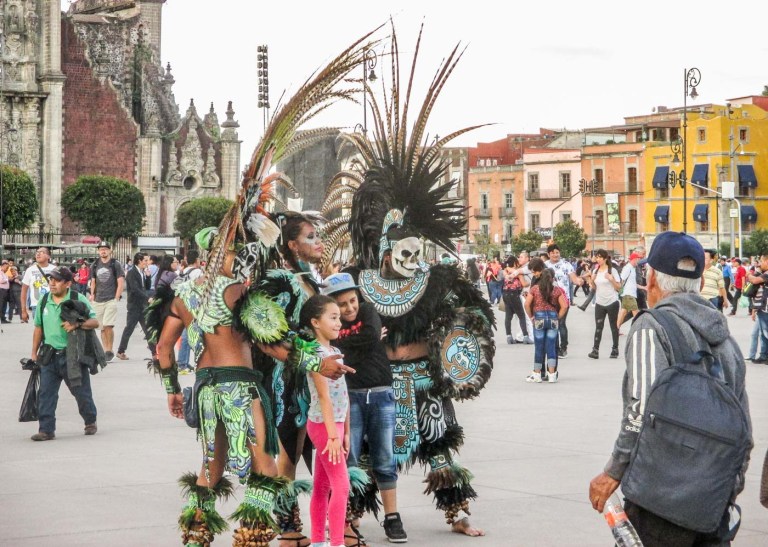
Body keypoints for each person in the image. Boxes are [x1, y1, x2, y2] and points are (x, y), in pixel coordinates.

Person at [588, 231, 752, 545]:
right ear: (700, 285)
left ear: (651, 280)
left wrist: (613, 472)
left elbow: (640, 410)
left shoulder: (651, 328)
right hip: (712, 503)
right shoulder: (726, 341)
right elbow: (743, 428)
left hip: (659, 499)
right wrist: (727, 488)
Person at [322, 272, 407, 544]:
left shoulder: (368, 311)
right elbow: (358, 343)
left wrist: (344, 349)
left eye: (352, 300)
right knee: (349, 460)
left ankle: (392, 517)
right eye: (342, 304)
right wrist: (366, 344)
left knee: (385, 459)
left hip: (381, 393)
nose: (350, 308)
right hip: (351, 397)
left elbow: (365, 338)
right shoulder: (331, 324)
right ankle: (348, 518)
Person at [299, 295, 351, 547]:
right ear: (315, 322)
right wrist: (332, 436)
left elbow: (344, 395)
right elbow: (323, 397)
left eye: (339, 318)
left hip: (336, 425)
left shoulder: (336, 353)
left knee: (322, 485)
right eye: (333, 317)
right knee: (341, 486)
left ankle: (319, 542)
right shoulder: (315, 355)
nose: (339, 322)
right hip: (323, 426)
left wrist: (346, 432)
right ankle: (337, 542)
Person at [29, 267, 100, 441]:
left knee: (81, 392)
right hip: (49, 355)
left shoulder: (78, 298)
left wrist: (77, 324)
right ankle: (46, 429)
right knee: (46, 394)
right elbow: (38, 328)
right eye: (51, 279)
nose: (52, 283)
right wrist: (33, 352)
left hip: (72, 356)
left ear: (68, 283)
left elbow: (95, 322)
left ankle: (90, 420)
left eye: (57, 280)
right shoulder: (44, 300)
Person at [524, 262, 568, 382]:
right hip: (553, 318)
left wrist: (531, 317)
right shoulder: (556, 290)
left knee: (539, 347)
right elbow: (564, 306)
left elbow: (527, 304)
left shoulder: (535, 289)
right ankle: (552, 375)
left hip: (539, 318)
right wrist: (557, 317)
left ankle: (537, 374)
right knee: (551, 347)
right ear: (552, 279)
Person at [545, 243, 586, 358]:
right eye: (553, 253)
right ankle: (555, 348)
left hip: (563, 299)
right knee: (553, 324)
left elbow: (574, 279)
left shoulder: (566, 264)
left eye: (557, 252)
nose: (555, 255)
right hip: (549, 300)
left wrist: (579, 281)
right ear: (548, 254)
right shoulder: (545, 265)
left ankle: (563, 348)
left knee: (561, 323)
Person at [89, 241, 125, 362]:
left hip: (110, 299)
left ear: (110, 251)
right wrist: (92, 295)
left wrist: (116, 297)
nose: (103, 251)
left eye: (105, 249)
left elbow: (120, 281)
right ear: (98, 251)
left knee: (108, 325)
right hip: (98, 299)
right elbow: (93, 281)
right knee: (102, 327)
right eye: (101, 249)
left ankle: (109, 350)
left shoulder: (115, 264)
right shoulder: (94, 265)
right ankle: (105, 351)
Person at [116, 253, 155, 361]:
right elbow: (135, 289)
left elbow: (146, 287)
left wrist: (148, 277)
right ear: (139, 261)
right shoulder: (132, 273)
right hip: (134, 305)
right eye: (145, 260)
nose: (147, 263)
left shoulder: (142, 272)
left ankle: (154, 352)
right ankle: (121, 351)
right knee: (129, 328)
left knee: (148, 329)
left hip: (142, 305)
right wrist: (147, 298)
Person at [584, 249, 620, 360]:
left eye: (600, 257)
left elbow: (619, 288)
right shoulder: (596, 271)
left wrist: (611, 279)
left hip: (612, 302)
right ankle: (595, 350)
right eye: (597, 257)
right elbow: (595, 288)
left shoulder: (612, 271)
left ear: (605, 259)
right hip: (600, 303)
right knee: (598, 327)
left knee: (613, 327)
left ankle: (615, 349)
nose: (598, 259)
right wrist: (591, 281)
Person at [177, 250, 204, 373]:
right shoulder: (198, 272)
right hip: (194, 304)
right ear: (197, 260)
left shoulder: (183, 271)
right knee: (191, 334)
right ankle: (184, 363)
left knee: (187, 333)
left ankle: (184, 362)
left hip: (184, 303)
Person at [20, 247, 56, 322]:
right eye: (37, 252)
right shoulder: (30, 270)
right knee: (38, 328)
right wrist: (23, 310)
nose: (38, 254)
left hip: (52, 305)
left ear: (48, 256)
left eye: (42, 252)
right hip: (36, 306)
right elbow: (24, 291)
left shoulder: (54, 269)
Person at [502, 256, 532, 345]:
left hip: (505, 294)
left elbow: (506, 273)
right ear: (515, 263)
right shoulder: (518, 273)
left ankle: (509, 336)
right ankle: (526, 336)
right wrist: (530, 282)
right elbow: (524, 284)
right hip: (514, 294)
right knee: (521, 316)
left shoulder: (505, 271)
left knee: (508, 317)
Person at [616, 252, 642, 331]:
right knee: (636, 312)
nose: (639, 261)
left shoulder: (632, 268)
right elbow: (622, 279)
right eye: (638, 259)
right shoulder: (628, 268)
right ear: (634, 259)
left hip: (629, 294)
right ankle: (639, 330)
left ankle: (616, 329)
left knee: (623, 312)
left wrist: (644, 287)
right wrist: (620, 289)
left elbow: (633, 283)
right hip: (628, 294)